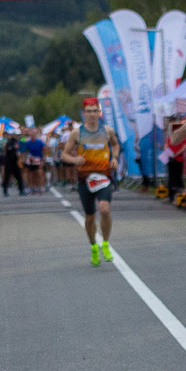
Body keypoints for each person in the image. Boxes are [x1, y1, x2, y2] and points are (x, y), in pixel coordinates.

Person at [69, 97, 122, 265]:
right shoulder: (76, 133)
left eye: (95, 111)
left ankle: (105, 244)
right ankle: (93, 246)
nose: (92, 114)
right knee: (90, 217)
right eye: (89, 111)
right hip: (85, 179)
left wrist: (114, 158)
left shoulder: (107, 130)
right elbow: (64, 154)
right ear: (84, 113)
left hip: (104, 177)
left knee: (104, 209)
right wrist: (74, 160)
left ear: (99, 112)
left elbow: (115, 145)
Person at [0, 129, 23, 196]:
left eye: (18, 135)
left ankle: (21, 190)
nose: (18, 136)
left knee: (18, 176)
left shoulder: (17, 141)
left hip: (15, 162)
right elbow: (9, 148)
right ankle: (5, 191)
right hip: (9, 162)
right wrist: (14, 148)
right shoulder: (10, 141)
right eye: (17, 135)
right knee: (7, 177)